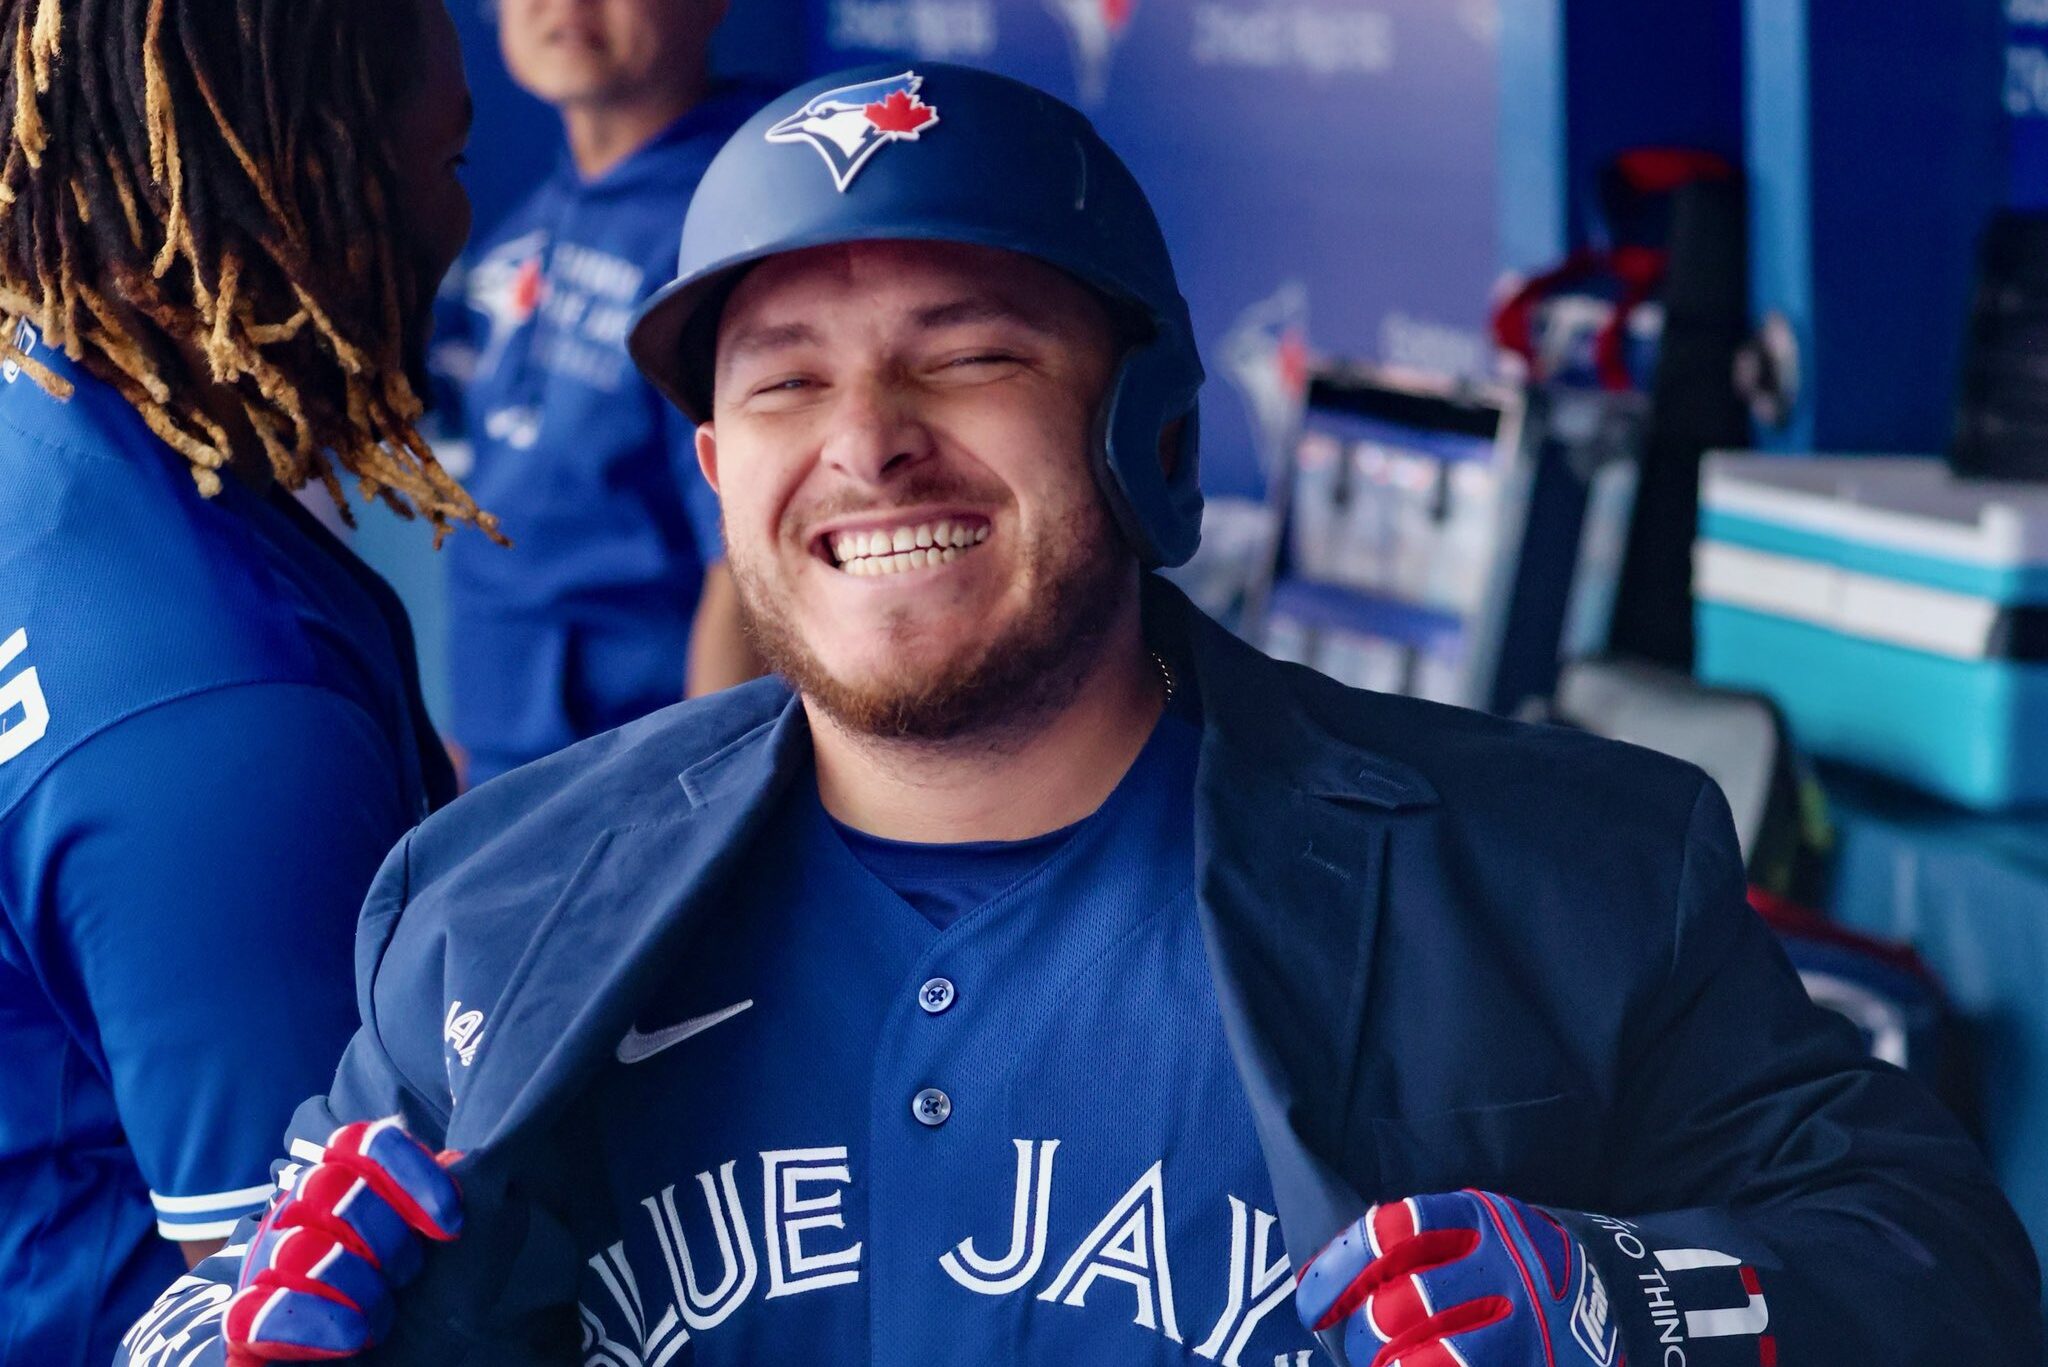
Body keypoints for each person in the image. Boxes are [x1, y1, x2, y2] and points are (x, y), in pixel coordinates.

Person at [123, 65, 2040, 1367]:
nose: (867, 442)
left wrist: (1633, 1298)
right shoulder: (485, 907)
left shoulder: (1558, 870)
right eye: (786, 385)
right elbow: (220, 1309)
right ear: (716, 467)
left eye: (966, 356)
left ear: (1156, 431)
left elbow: (1942, 1263)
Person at [0, 0, 489, 1360]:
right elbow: (298, 1313)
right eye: (444, 168)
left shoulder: (34, 444)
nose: (463, 229)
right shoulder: (221, 699)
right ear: (298, 170)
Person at [433, 0, 765, 789]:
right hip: (506, 776)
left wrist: (705, 816)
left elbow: (749, 560)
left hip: (638, 784)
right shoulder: (531, 221)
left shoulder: (734, 219)